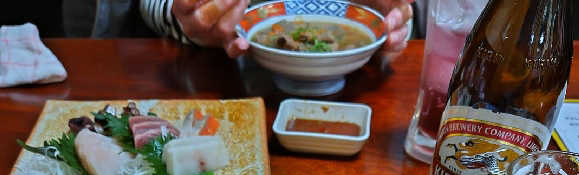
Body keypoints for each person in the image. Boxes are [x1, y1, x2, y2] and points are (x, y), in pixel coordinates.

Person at [63, 1, 415, 58]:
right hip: (210, 71)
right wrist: (185, 16)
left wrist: (398, 22)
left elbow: (415, 12)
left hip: (364, 85)